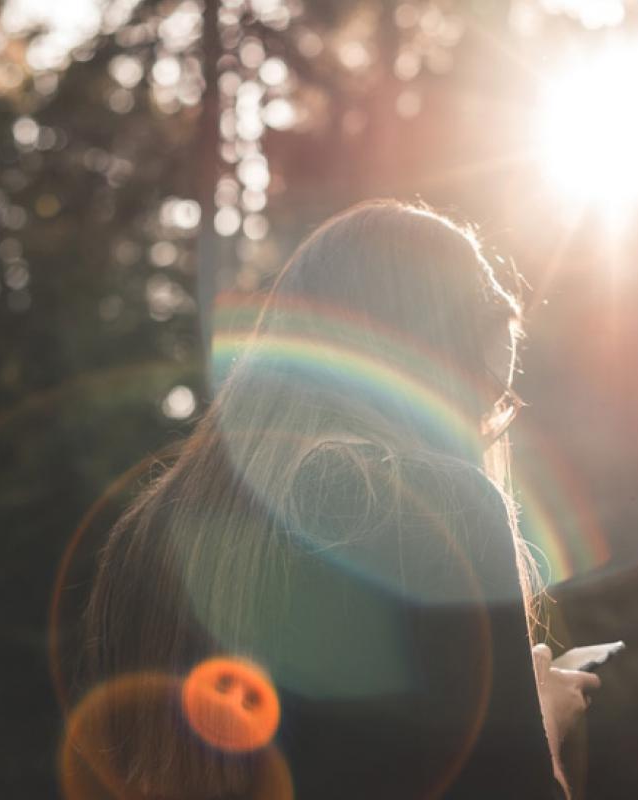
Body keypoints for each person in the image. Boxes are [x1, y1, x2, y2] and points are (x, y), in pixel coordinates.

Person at [76, 200, 599, 799]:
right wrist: (544, 731)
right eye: (482, 400)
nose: (481, 432)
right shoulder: (431, 507)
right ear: (435, 364)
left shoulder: (141, 543)